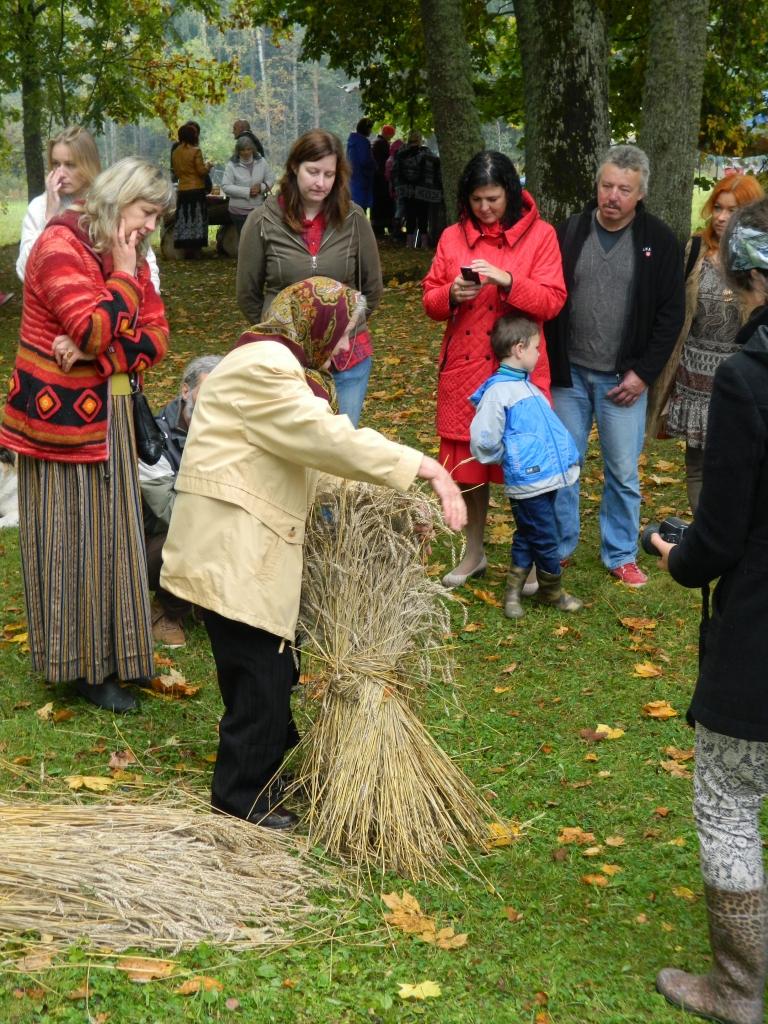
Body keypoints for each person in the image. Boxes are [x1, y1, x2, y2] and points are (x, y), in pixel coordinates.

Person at [160, 276, 467, 829]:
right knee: (259, 680)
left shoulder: (271, 364)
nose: (345, 349)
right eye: (344, 334)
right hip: (235, 550)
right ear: (318, 324)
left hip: (242, 545)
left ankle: (266, 775)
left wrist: (394, 512)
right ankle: (239, 803)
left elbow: (312, 459)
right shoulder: (263, 369)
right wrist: (424, 466)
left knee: (272, 672)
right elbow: (324, 439)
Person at [0, 157, 173, 714]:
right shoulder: (59, 246)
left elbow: (157, 335)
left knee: (115, 536)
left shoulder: (127, 252)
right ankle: (81, 668)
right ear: (120, 199)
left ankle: (120, 654)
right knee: (71, 543)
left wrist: (97, 356)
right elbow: (94, 326)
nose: (150, 227)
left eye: (156, 218)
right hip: (58, 427)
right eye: (146, 213)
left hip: (112, 415)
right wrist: (122, 277)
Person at [652, 198, 768, 1024]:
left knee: (728, 800)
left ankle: (736, 988)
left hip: (758, 632)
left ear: (743, 274)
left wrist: (677, 556)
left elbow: (719, 536)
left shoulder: (747, 378)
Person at [422, 149, 567, 589]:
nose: (484, 208)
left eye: (493, 199)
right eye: (476, 200)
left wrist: (508, 281)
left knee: (527, 469)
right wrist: (451, 294)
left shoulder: (541, 236)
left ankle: (534, 559)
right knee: (469, 468)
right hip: (465, 371)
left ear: (511, 194)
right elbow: (430, 301)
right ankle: (474, 553)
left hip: (519, 373)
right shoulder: (452, 237)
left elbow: (553, 301)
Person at [545, 144, 685, 587]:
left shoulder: (659, 241)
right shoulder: (569, 233)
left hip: (623, 380)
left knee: (623, 472)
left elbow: (671, 315)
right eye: (607, 186)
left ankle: (621, 552)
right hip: (568, 374)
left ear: (640, 194)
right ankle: (559, 546)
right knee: (563, 464)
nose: (613, 196)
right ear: (597, 185)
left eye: (624, 189)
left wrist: (643, 373)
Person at [236, 129, 383, 427]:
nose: (321, 183)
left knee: (340, 445)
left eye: (329, 174)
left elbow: (372, 289)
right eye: (313, 172)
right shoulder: (262, 220)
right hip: (286, 362)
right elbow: (247, 294)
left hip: (348, 359)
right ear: (294, 167)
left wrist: (342, 330)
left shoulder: (354, 219)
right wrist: (282, 330)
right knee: (293, 447)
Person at [647, 173, 765, 510]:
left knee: (739, 462)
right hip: (696, 372)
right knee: (698, 463)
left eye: (733, 210)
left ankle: (734, 530)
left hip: (741, 372)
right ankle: (704, 532)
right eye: (718, 208)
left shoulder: (761, 259)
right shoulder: (696, 249)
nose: (722, 217)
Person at [469, 314, 581, 618]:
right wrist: (510, 457)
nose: (539, 353)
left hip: (545, 478)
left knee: (528, 535)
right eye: (536, 347)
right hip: (528, 482)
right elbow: (484, 439)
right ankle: (552, 592)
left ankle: (512, 593)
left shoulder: (527, 388)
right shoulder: (499, 392)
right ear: (519, 349)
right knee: (546, 536)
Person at [139, 355, 222, 648]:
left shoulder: (228, 433)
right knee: (192, 535)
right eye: (207, 393)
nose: (215, 403)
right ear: (185, 391)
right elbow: (169, 512)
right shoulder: (151, 441)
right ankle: (167, 611)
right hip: (151, 543)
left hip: (204, 523)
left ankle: (206, 601)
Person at [17, 125, 160, 291]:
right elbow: (24, 271)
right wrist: (49, 218)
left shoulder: (110, 203)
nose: (60, 173)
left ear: (89, 164)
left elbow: (146, 260)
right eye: (56, 164)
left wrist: (149, 298)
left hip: (113, 299)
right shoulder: (40, 206)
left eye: (70, 165)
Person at [393, 131, 442, 248]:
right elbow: (437, 165)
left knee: (410, 215)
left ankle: (409, 243)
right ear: (420, 140)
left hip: (406, 190)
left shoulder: (401, 153)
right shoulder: (426, 153)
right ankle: (424, 244)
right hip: (423, 190)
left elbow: (395, 171)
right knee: (423, 216)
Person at [171, 122, 213, 259]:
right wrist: (208, 166)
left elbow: (176, 172)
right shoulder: (196, 151)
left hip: (183, 189)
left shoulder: (176, 152)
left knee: (185, 219)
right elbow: (201, 171)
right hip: (196, 189)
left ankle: (186, 248)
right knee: (197, 219)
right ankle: (197, 250)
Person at [221, 135, 273, 237]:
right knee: (244, 240)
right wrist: (247, 191)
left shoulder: (261, 161)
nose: (246, 152)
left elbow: (271, 178)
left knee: (258, 239)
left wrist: (261, 187)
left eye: (248, 149)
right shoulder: (232, 165)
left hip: (258, 209)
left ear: (253, 149)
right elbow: (226, 186)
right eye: (243, 150)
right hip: (238, 212)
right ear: (238, 151)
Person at [346, 117, 375, 212]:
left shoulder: (352, 142)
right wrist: (374, 166)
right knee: (360, 211)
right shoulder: (363, 142)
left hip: (352, 182)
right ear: (366, 129)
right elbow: (364, 161)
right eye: (370, 128)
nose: (371, 131)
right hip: (362, 181)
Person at [371, 124, 395, 237]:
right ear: (388, 134)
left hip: (376, 178)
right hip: (382, 178)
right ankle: (383, 226)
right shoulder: (383, 144)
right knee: (384, 203)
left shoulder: (376, 143)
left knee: (377, 204)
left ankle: (377, 227)